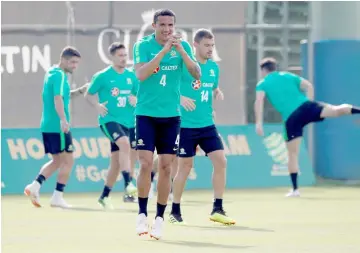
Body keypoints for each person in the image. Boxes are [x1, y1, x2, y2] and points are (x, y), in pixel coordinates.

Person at [133, 9, 201, 239]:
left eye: (170, 25)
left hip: (171, 116)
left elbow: (196, 73)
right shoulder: (143, 45)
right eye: (162, 25)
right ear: (154, 26)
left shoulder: (183, 47)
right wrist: (163, 51)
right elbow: (141, 74)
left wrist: (181, 51)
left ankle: (160, 218)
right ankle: (142, 215)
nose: (167, 29)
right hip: (145, 113)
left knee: (165, 167)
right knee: (144, 163)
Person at [254, 57, 360, 197]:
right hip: (306, 106)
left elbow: (259, 101)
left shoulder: (262, 83)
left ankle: (295, 190)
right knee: (336, 110)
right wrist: (309, 104)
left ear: (263, 70)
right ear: (275, 67)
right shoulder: (288, 75)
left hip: (291, 118)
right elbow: (309, 86)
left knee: (293, 154)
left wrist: (259, 122)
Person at [169, 29, 235, 225]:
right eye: (206, 45)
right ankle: (175, 210)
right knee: (185, 168)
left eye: (212, 46)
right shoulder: (184, 66)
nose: (210, 49)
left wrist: (217, 91)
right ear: (195, 45)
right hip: (185, 126)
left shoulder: (214, 68)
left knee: (221, 161)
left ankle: (218, 208)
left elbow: (211, 86)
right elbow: (167, 88)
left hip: (207, 125)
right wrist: (180, 97)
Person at [24, 46, 85, 208]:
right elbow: (58, 99)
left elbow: (61, 96)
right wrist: (63, 120)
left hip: (48, 125)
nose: (74, 66)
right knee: (68, 161)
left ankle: (34, 186)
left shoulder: (52, 72)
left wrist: (79, 92)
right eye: (72, 62)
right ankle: (57, 197)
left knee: (57, 160)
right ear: (63, 60)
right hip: (58, 127)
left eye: (77, 63)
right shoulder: (59, 75)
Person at [85, 42, 138, 209]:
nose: (124, 58)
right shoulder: (103, 76)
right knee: (124, 144)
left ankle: (104, 196)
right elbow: (89, 94)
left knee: (116, 162)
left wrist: (136, 100)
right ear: (112, 57)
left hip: (129, 122)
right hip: (109, 120)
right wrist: (97, 106)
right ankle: (128, 184)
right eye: (120, 56)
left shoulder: (131, 76)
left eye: (125, 55)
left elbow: (140, 96)